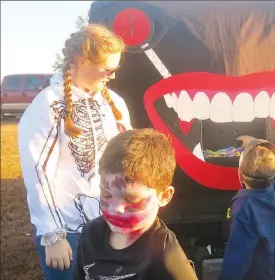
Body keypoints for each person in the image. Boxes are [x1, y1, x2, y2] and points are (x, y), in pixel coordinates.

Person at [18, 24, 131, 280]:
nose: (112, 75)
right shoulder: (49, 104)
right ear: (81, 61)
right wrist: (52, 234)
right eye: (107, 68)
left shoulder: (115, 104)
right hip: (68, 231)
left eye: (115, 69)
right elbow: (38, 172)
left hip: (110, 225)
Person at [74, 128, 198, 280]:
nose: (116, 208)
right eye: (106, 194)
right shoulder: (90, 235)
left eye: (132, 199)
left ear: (164, 196)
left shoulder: (165, 254)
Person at [219, 135, 275, 280]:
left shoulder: (243, 210)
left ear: (240, 175)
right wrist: (252, 142)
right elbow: (266, 167)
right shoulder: (274, 186)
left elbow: (236, 260)